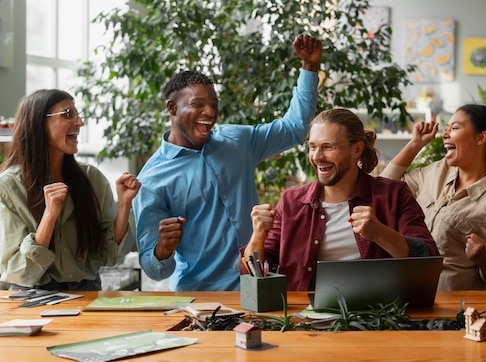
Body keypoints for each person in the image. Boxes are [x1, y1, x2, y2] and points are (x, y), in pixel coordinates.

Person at [133, 34, 322, 291]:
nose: (210, 112)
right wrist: (162, 250)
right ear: (172, 108)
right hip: (201, 298)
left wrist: (309, 69)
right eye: (198, 105)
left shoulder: (237, 140)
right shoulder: (152, 179)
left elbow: (294, 129)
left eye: (213, 104)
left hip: (257, 287)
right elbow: (154, 269)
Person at [243, 108, 439, 291]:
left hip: (380, 315)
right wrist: (258, 235)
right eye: (313, 147)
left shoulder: (394, 194)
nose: (317, 156)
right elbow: (253, 271)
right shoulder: (291, 202)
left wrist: (380, 233)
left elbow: (427, 259)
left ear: (357, 149)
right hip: (304, 318)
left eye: (328, 147)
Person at [0, 89, 141, 290]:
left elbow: (109, 256)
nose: (79, 123)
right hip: (30, 299)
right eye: (68, 115)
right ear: (39, 123)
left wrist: (125, 203)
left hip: (87, 295)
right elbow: (17, 271)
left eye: (77, 115)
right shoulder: (8, 187)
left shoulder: (92, 178)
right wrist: (49, 216)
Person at [380, 104, 486, 290]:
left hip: (449, 309)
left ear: (481, 138)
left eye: (455, 127)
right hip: (406, 296)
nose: (445, 134)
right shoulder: (439, 170)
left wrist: (483, 259)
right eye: (446, 128)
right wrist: (415, 144)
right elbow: (385, 187)